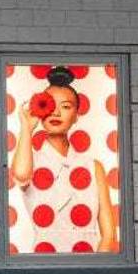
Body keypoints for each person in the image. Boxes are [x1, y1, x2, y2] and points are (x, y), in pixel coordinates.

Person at [11, 66, 118, 254]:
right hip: (43, 260)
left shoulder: (93, 167)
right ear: (40, 111)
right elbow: (20, 174)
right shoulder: (31, 161)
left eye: (66, 106)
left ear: (76, 115)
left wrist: (95, 267)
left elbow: (109, 235)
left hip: (88, 260)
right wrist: (26, 127)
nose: (56, 113)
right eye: (49, 105)